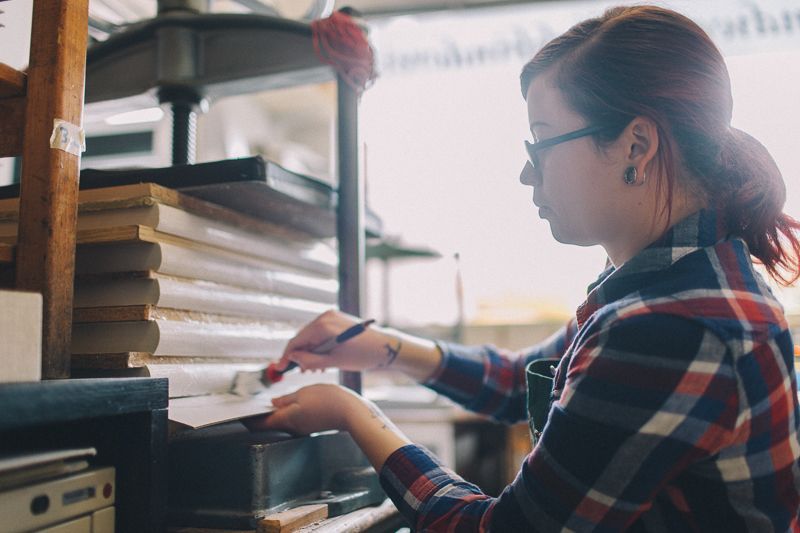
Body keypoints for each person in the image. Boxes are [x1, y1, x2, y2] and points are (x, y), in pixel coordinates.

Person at [246, 5, 800, 531]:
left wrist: (351, 411)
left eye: (541, 143)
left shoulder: (671, 327)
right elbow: (523, 381)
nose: (525, 175)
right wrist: (383, 348)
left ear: (636, 144)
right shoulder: (669, 281)